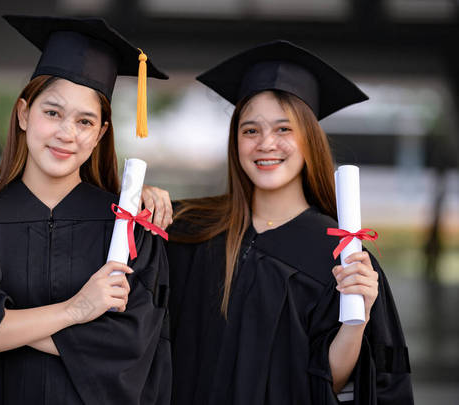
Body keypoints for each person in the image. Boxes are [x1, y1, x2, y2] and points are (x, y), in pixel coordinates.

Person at [0, 15, 172, 405]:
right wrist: (77, 310)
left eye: (85, 121)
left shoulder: (127, 226)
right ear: (23, 114)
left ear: (101, 133)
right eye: (52, 112)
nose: (66, 134)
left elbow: (129, 344)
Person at [151, 40, 413, 404]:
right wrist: (142, 203)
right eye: (250, 130)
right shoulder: (188, 229)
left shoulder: (337, 255)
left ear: (309, 140)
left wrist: (357, 321)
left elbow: (331, 386)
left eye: (284, 129)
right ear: (235, 141)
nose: (266, 144)